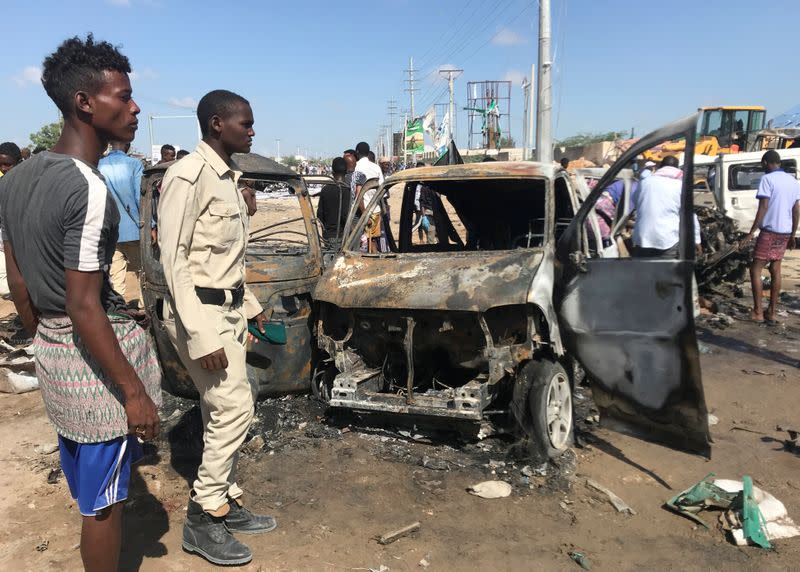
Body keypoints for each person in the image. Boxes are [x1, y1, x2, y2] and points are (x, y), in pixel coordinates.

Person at [0, 34, 161, 571]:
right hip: (95, 369)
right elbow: (84, 305)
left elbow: (19, 279)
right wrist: (133, 392)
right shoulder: (89, 188)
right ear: (85, 104)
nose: (135, 107)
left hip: (53, 350)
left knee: (88, 486)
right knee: (104, 507)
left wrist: (48, 341)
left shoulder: (17, 177)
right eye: (124, 95)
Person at [158, 89, 276, 566]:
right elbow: (175, 262)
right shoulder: (187, 175)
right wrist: (201, 334)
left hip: (225, 309)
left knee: (217, 408)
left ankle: (224, 498)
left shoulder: (229, 178)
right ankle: (203, 516)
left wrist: (249, 305)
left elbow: (225, 259)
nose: (252, 130)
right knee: (234, 407)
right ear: (215, 124)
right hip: (198, 315)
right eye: (245, 123)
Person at [745, 150, 800, 323]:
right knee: (776, 269)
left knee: (755, 269)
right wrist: (792, 234)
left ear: (765, 163)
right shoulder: (793, 181)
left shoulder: (767, 179)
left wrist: (751, 231)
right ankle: (772, 312)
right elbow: (796, 209)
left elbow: (763, 206)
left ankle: (758, 312)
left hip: (769, 231)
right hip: (784, 232)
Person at [98, 141, 144, 305]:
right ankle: (144, 308)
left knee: (116, 274)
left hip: (109, 229)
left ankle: (120, 309)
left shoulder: (97, 164)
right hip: (133, 228)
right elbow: (140, 197)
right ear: (128, 146)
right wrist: (149, 224)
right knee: (142, 271)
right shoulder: (134, 164)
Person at [632, 155, 701, 258]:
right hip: (666, 241)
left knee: (642, 273)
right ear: (677, 168)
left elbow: (635, 201)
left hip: (641, 239)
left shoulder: (644, 182)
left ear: (660, 167)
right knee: (666, 273)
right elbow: (689, 216)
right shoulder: (680, 186)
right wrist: (696, 241)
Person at [351, 142, 384, 253]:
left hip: (358, 213)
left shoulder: (355, 168)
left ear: (357, 152)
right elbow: (382, 190)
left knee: (358, 243)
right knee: (372, 241)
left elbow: (356, 193)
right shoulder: (376, 168)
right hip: (375, 210)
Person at [0, 143, 22, 298]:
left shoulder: (29, 183)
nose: (4, 168)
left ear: (19, 161)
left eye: (8, 164)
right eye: (0, 165)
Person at [316, 157, 351, 244]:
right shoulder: (346, 190)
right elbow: (345, 215)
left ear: (332, 172)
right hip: (341, 236)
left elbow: (320, 214)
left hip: (327, 235)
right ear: (346, 172)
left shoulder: (325, 189)